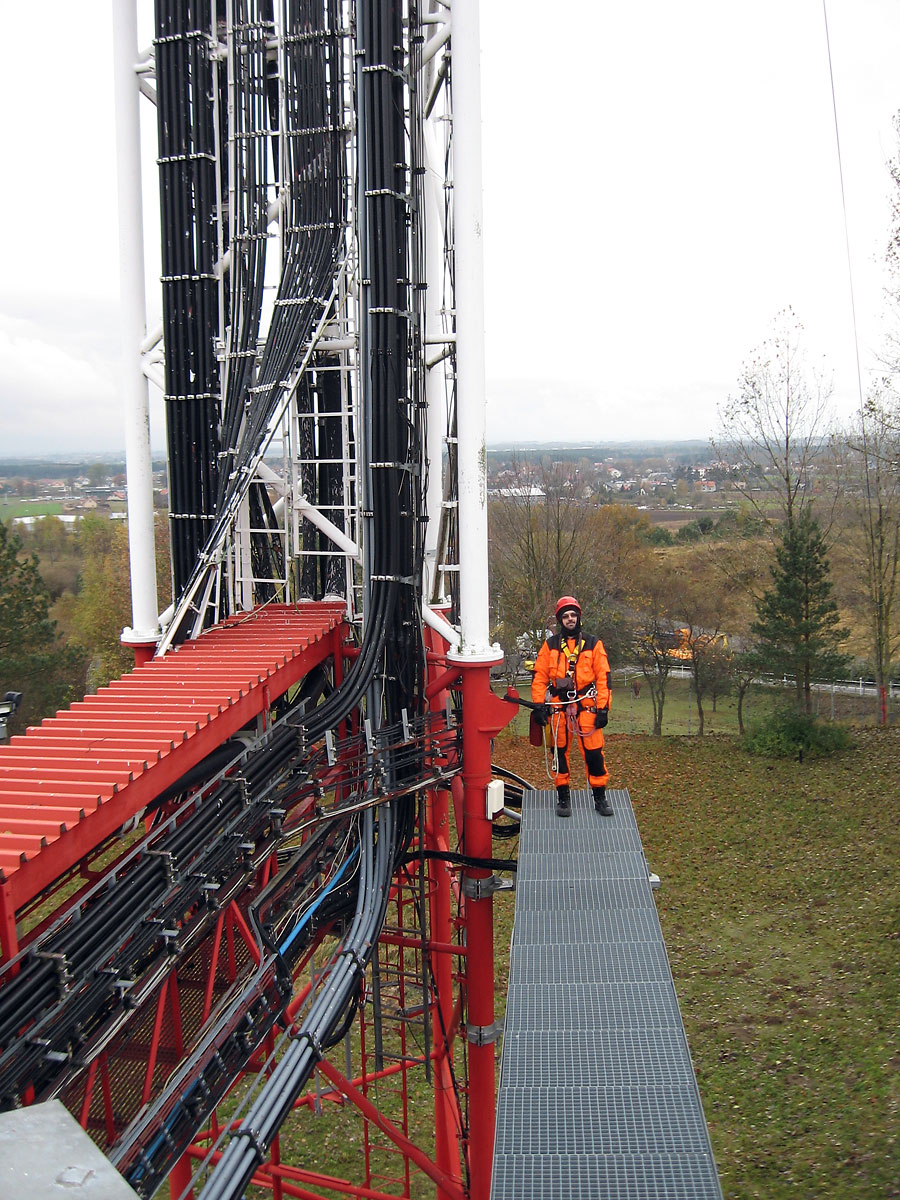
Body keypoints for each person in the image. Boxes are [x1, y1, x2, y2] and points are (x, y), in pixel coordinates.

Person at [531, 595, 613, 817]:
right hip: (559, 706)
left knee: (594, 754)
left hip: (587, 706)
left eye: (573, 615)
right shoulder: (550, 646)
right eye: (565, 616)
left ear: (578, 617)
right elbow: (539, 677)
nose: (570, 619)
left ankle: (600, 796)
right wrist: (539, 706)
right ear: (560, 620)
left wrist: (603, 709)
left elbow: (604, 678)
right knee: (559, 753)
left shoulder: (593, 644)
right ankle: (563, 796)